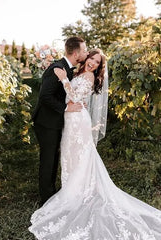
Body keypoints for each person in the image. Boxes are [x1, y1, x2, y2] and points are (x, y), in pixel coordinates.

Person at [29, 49, 161, 239]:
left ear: (99, 67)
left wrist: (64, 79)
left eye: (97, 62)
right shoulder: (78, 72)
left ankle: (77, 193)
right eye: (91, 58)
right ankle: (70, 189)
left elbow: (74, 97)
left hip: (78, 120)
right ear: (86, 57)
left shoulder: (89, 77)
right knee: (69, 156)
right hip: (69, 119)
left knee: (80, 156)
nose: (92, 63)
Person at [32, 36, 88, 205]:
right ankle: (46, 199)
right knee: (48, 160)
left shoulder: (68, 68)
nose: (86, 53)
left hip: (55, 122)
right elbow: (44, 97)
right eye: (84, 50)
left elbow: (63, 93)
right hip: (46, 123)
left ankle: (51, 192)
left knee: (53, 158)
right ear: (76, 53)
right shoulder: (57, 68)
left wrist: (75, 101)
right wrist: (66, 108)